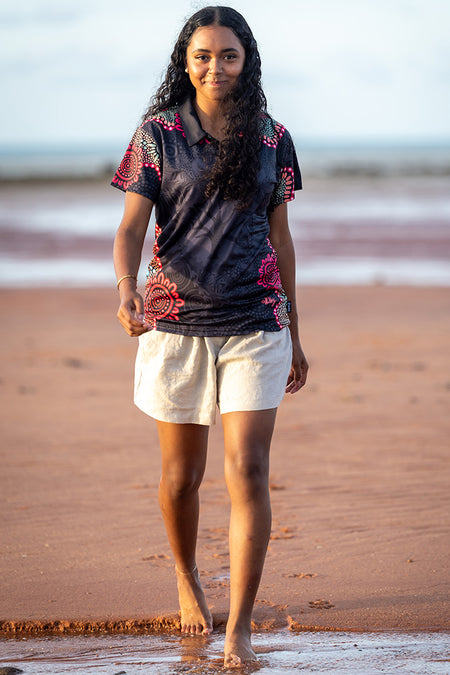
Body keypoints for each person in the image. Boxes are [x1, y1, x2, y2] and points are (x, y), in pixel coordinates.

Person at [112, 5, 308, 667]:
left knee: (249, 468)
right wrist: (126, 287)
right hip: (176, 324)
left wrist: (296, 331)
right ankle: (187, 573)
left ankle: (240, 628)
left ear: (246, 61)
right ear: (186, 62)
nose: (215, 66)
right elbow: (131, 227)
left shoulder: (273, 137)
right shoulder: (157, 134)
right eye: (203, 55)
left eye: (228, 55)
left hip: (256, 321)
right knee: (181, 477)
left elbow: (281, 239)